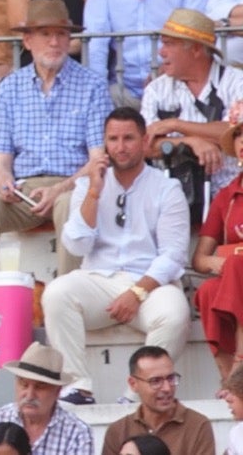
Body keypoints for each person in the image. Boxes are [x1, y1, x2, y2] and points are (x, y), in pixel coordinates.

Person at [40, 107, 190, 405]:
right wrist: (95, 192)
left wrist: (136, 292)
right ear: (104, 144)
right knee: (56, 293)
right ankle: (78, 386)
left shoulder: (167, 187)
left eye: (128, 138)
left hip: (149, 285)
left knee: (176, 314)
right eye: (113, 139)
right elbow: (77, 245)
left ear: (145, 141)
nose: (120, 147)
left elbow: (173, 255)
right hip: (98, 279)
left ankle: (136, 396)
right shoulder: (87, 186)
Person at [0, 0, 112, 274]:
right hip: (24, 190)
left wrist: (59, 189)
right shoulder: (10, 87)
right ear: (28, 41)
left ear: (69, 40)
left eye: (61, 34)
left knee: (69, 204)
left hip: (73, 185)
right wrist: (4, 183)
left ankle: (68, 299)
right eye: (45, 34)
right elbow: (0, 161)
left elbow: (98, 160)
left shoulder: (92, 85)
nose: (54, 42)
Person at [140, 9, 243, 207]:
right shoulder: (156, 89)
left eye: (169, 44)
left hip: (233, 198)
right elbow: (145, 146)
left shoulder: (236, 82)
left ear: (195, 49)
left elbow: (236, 131)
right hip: (171, 200)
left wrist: (174, 124)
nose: (161, 51)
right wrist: (190, 142)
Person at [0, 342, 93, 455]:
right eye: (24, 384)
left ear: (57, 392)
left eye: (40, 387)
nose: (29, 395)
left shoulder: (76, 432)